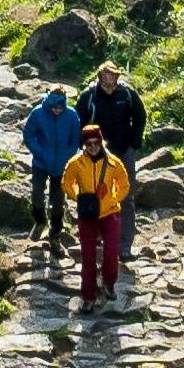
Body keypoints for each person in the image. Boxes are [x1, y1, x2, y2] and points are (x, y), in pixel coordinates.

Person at [60, 125, 137, 311]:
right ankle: (88, 296)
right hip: (87, 215)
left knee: (111, 252)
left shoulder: (113, 162)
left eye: (96, 143)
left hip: (110, 213)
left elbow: (125, 185)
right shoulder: (75, 163)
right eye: (89, 144)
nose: (93, 147)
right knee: (88, 256)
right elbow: (66, 183)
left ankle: (108, 282)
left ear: (102, 142)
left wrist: (113, 199)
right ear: (84, 145)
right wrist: (78, 197)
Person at [19, 83, 88, 253]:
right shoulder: (38, 113)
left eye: (60, 107)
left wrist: (68, 156)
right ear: (49, 102)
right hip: (41, 162)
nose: (57, 110)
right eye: (55, 107)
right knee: (37, 193)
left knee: (58, 202)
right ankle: (40, 221)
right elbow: (28, 135)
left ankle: (55, 234)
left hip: (62, 165)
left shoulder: (72, 116)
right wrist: (40, 152)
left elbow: (75, 140)